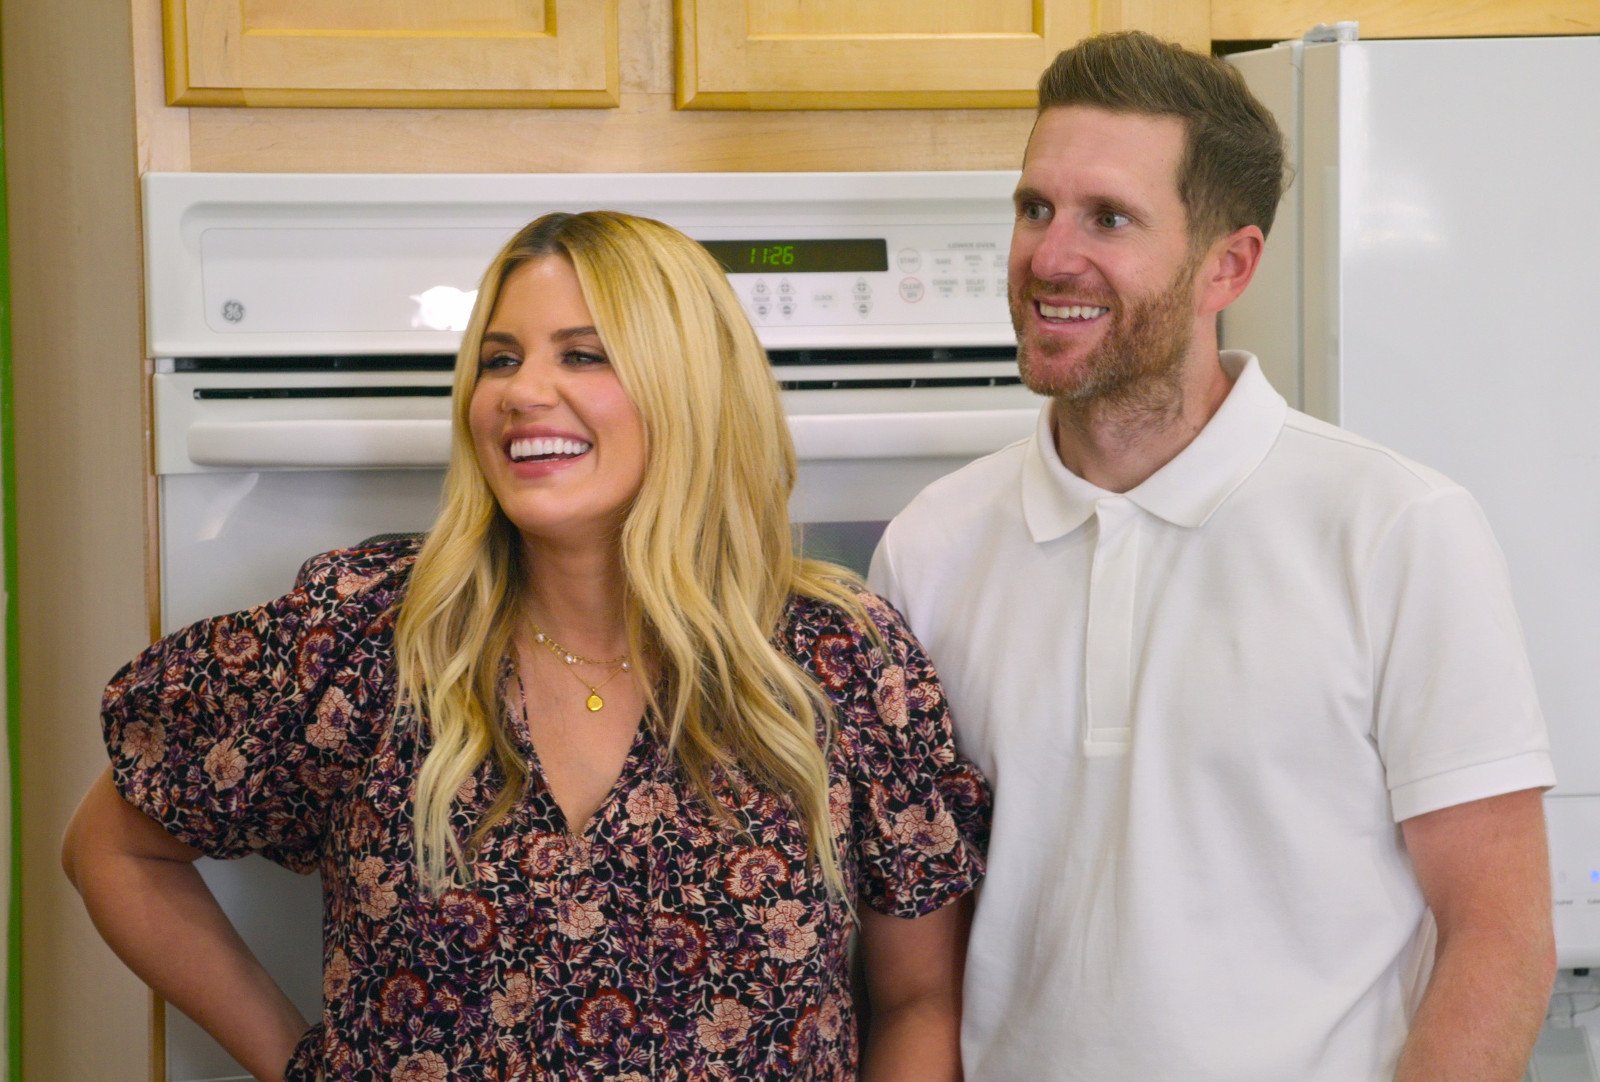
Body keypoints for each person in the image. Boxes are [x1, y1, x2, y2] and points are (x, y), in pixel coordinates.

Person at [63, 210, 989, 1081]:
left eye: (582, 355)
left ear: (692, 391)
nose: (518, 393)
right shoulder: (368, 637)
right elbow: (113, 849)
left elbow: (917, 1001)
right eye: (498, 359)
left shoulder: (840, 660)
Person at [869, 30, 1555, 1082]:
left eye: (1108, 218)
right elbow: (920, 961)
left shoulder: (1393, 528)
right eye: (1033, 207)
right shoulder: (930, 546)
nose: (1051, 255)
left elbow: (1499, 938)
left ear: (1226, 264)